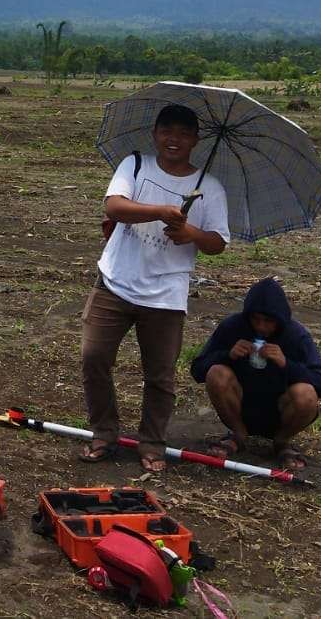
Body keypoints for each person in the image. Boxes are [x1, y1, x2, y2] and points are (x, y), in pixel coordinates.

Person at [79, 103, 230, 472]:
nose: (173, 140)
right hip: (114, 282)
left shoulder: (209, 187)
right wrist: (161, 211)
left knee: (160, 376)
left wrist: (189, 232)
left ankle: (152, 443)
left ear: (196, 139)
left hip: (166, 295)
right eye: (167, 131)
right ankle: (103, 432)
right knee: (93, 358)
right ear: (155, 134)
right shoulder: (134, 165)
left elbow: (218, 242)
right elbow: (114, 207)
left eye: (182, 133)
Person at [189, 276, 321, 471]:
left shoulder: (296, 335)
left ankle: (281, 442)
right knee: (217, 373)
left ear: (280, 321)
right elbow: (197, 370)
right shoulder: (233, 327)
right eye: (255, 319)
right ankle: (238, 435)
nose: (261, 327)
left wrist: (286, 364)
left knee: (306, 394)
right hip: (240, 406)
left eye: (268, 321)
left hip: (281, 411)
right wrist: (227, 355)